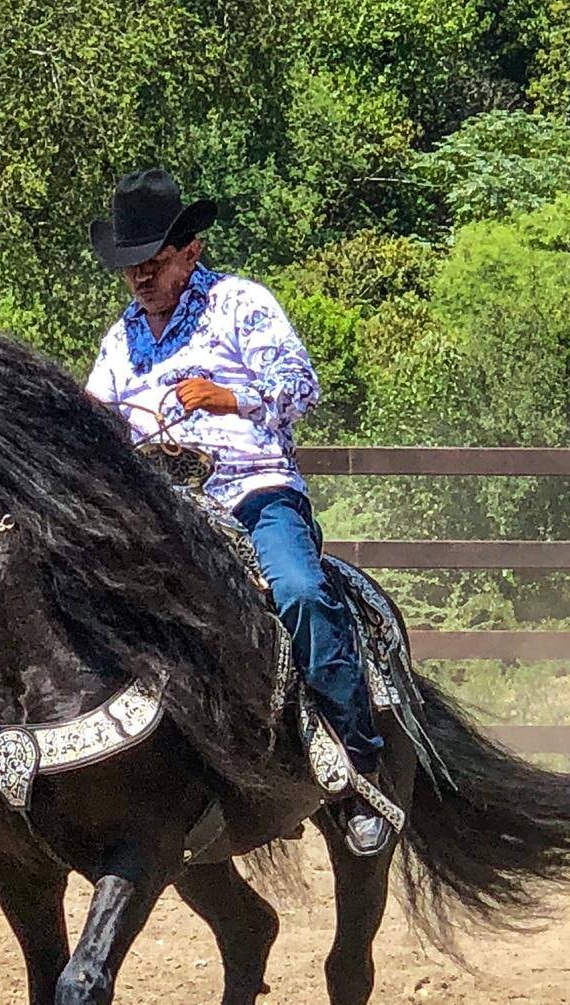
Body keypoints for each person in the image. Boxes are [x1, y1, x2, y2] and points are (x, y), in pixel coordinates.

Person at [86, 168, 390, 857]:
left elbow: (300, 386)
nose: (137, 277)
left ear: (188, 253)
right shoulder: (120, 338)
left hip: (250, 487)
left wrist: (230, 399)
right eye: (128, 265)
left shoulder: (240, 305)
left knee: (302, 592)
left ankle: (359, 774)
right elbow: (94, 415)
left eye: (150, 262)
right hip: (155, 507)